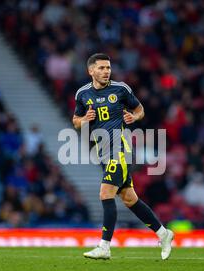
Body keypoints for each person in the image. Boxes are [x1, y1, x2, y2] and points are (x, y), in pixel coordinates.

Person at [72, 53, 174, 260]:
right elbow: (75, 121)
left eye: (108, 68)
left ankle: (104, 246)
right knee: (129, 199)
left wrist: (133, 116)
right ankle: (163, 234)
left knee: (105, 193)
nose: (106, 71)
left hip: (120, 150)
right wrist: (85, 119)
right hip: (103, 151)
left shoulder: (121, 89)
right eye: (101, 68)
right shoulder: (82, 94)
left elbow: (140, 110)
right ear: (91, 71)